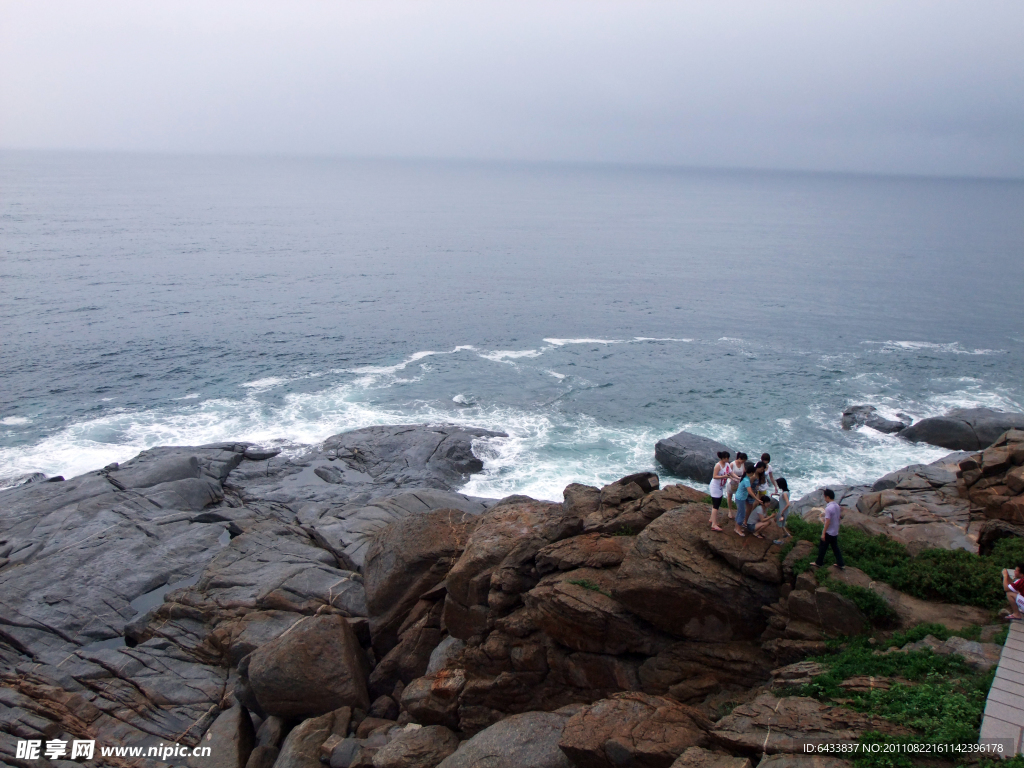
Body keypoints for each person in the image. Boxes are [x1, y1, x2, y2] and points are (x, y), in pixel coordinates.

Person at [811, 489, 845, 569]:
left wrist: (823, 533)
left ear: (828, 497)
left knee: (822, 547)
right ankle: (841, 563)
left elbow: (827, 521)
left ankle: (819, 563)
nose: (824, 499)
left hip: (829, 532)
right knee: (835, 548)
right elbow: (838, 518)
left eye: (825, 497)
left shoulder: (829, 508)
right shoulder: (837, 506)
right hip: (835, 531)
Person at [733, 461, 758, 536]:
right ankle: (738, 529)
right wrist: (757, 499)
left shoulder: (745, 477)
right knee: (742, 514)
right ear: (751, 472)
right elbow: (750, 491)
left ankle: (737, 527)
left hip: (739, 497)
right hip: (740, 498)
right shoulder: (746, 480)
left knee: (740, 512)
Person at [708, 451, 731, 532]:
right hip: (715, 487)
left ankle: (712, 519)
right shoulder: (718, 465)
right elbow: (714, 476)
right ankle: (713, 524)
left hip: (720, 487)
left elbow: (731, 473)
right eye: (726, 458)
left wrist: (737, 478)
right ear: (722, 458)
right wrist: (724, 476)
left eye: (728, 458)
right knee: (716, 505)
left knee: (717, 503)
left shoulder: (727, 465)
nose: (728, 459)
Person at [727, 452, 747, 518]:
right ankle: (730, 511)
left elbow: (743, 473)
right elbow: (728, 473)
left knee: (737, 496)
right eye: (742, 460)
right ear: (739, 458)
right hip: (732, 481)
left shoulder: (742, 464)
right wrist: (734, 479)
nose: (743, 462)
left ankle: (737, 510)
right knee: (730, 496)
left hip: (739, 481)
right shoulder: (732, 464)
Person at [772, 477, 792, 545]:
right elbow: (783, 496)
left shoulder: (784, 494)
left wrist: (782, 512)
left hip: (782, 512)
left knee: (779, 525)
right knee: (782, 524)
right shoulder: (786, 492)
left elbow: (788, 504)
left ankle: (780, 540)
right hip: (784, 511)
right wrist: (775, 494)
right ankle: (787, 534)